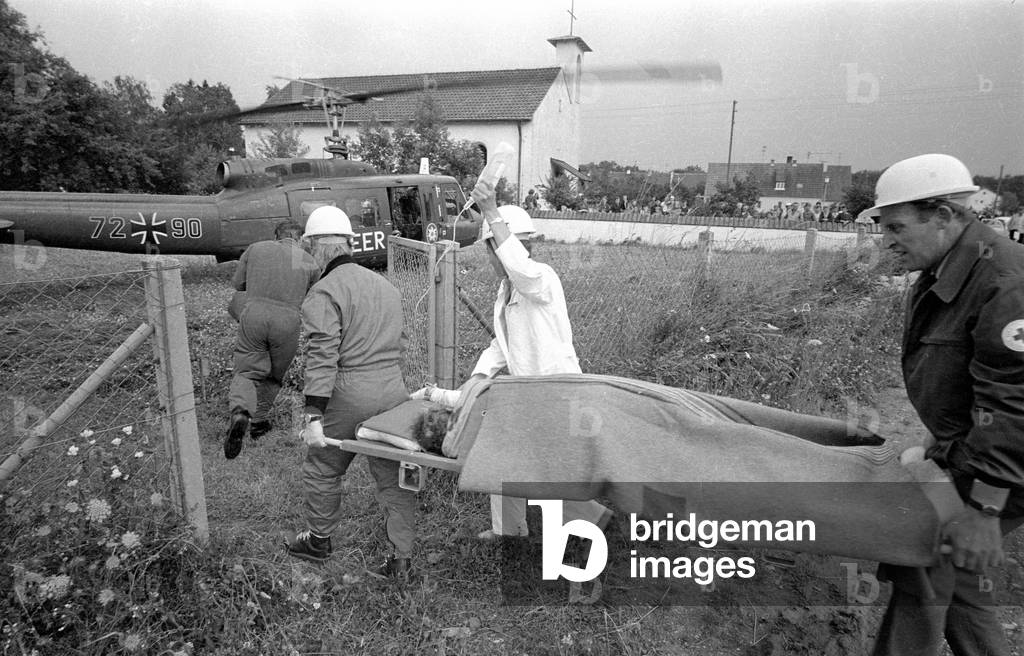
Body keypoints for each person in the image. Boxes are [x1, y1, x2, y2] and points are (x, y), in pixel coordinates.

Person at [866, 153, 1024, 656]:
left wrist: (984, 507)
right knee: (946, 579)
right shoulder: (947, 271)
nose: (887, 239)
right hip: (974, 455)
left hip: (1004, 469)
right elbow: (967, 383)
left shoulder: (1005, 282)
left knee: (934, 564)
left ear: (944, 215)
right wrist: (941, 438)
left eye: (897, 226)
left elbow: (1013, 401)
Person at [460, 180, 612, 540]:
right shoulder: (507, 291)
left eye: (491, 249)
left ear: (502, 247)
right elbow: (502, 344)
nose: (489, 257)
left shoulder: (540, 278)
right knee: (505, 455)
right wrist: (477, 378)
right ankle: (510, 528)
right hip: (528, 395)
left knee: (543, 467)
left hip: (557, 393)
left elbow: (522, 269)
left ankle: (593, 518)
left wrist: (492, 211)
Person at [284, 206, 415, 580]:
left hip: (347, 392)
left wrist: (313, 415)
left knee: (323, 466)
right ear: (347, 243)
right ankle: (401, 558)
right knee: (394, 476)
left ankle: (318, 541)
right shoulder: (386, 287)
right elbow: (401, 343)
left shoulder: (323, 291)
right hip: (392, 391)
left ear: (314, 246)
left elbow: (322, 356)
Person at [224, 221, 320, 460]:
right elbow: (313, 295)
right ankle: (259, 422)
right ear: (300, 239)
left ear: (276, 236)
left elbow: (238, 284)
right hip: (287, 321)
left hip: (254, 315)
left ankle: (241, 412)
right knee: (274, 374)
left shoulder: (256, 248)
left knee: (246, 371)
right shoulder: (307, 260)